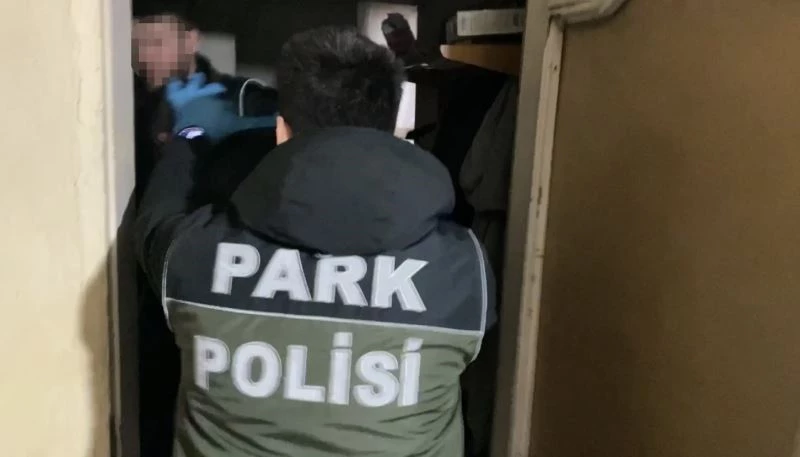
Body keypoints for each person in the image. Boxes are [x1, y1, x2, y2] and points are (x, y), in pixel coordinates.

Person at [135, 25, 496, 457]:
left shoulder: (196, 254)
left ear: (281, 132)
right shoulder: (462, 267)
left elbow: (154, 222)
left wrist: (187, 140)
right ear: (388, 128)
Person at [131, 3, 277, 456]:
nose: (145, 56)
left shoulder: (244, 99)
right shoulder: (118, 103)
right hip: (137, 281)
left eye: (157, 42)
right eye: (137, 45)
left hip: (213, 279)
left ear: (190, 40)